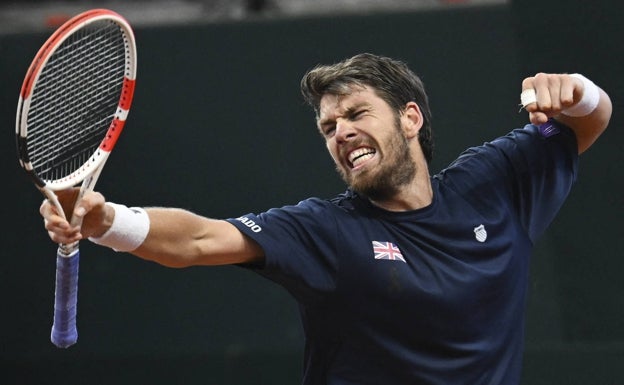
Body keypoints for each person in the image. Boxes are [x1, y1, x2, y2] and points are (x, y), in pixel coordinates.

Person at [41, 53, 612, 384]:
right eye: (328, 127)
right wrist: (106, 219)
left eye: (356, 113)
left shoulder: (495, 184)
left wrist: (578, 92)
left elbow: (588, 122)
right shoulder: (325, 230)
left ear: (410, 118)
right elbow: (197, 239)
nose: (340, 132)